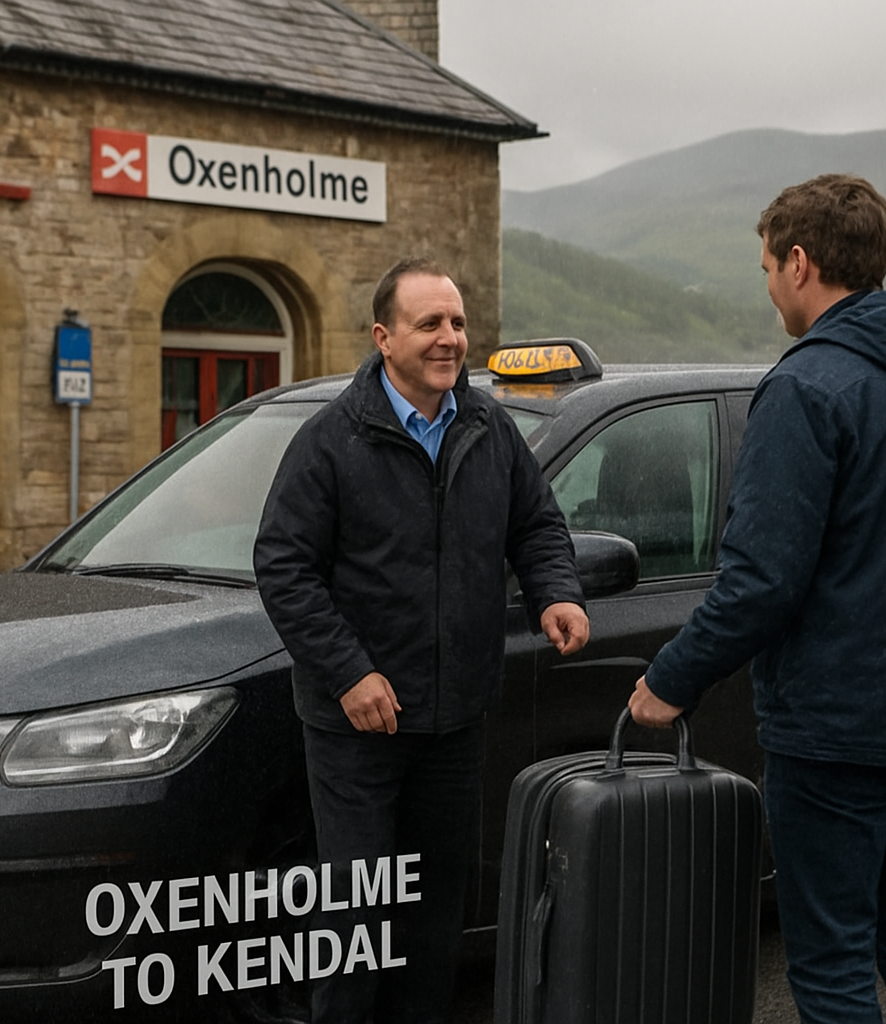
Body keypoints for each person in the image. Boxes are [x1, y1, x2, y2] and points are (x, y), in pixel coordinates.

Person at [629, 174, 886, 1023]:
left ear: (800, 263)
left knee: (832, 963)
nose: (767, 287)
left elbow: (762, 579)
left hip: (839, 733)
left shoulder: (805, 388)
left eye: (766, 267)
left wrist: (671, 680)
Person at [254, 256, 589, 1024]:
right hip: (358, 728)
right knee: (357, 916)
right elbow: (283, 566)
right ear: (384, 337)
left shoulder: (488, 428)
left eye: (459, 323)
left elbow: (536, 525)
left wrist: (557, 594)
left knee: (436, 917)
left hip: (455, 718)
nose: (450, 339)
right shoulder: (331, 440)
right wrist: (349, 674)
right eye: (430, 323)